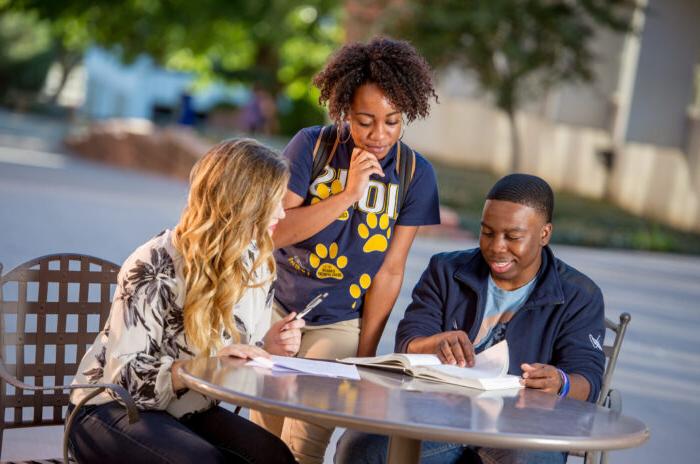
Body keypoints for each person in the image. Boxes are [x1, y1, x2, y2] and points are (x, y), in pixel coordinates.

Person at [250, 37, 441, 463]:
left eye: (392, 122)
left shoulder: (415, 175)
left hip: (340, 322)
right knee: (261, 436)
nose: (378, 135)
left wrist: (366, 355)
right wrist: (348, 194)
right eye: (365, 120)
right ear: (343, 112)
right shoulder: (312, 146)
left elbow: (390, 272)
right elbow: (273, 233)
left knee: (305, 442)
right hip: (276, 308)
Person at [335, 174, 606, 464]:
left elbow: (587, 380)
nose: (496, 247)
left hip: (520, 428)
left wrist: (560, 382)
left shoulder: (579, 295)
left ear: (544, 234)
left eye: (513, 237)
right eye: (487, 232)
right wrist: (432, 343)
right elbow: (409, 341)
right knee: (360, 446)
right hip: (436, 418)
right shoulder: (446, 270)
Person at [67, 139, 305, 463]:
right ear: (245, 202)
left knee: (275, 457)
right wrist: (193, 369)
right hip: (109, 407)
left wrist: (269, 347)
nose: (282, 211)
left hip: (186, 410)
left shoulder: (257, 264)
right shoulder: (154, 263)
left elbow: (234, 356)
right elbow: (126, 379)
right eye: (275, 200)